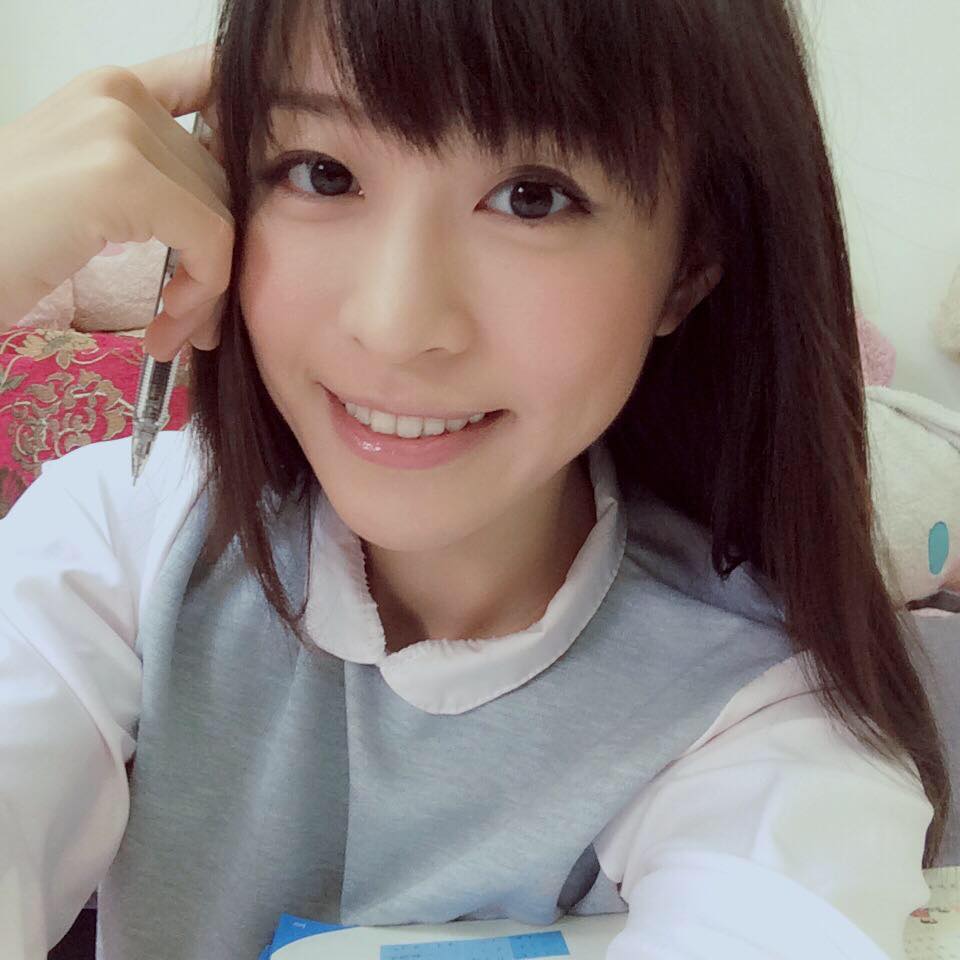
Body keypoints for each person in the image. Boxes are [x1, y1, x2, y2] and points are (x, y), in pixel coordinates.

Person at [0, 2, 952, 958]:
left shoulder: (758, 705)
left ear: (688, 266)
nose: (395, 324)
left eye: (532, 197)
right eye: (322, 173)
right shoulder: (123, 541)